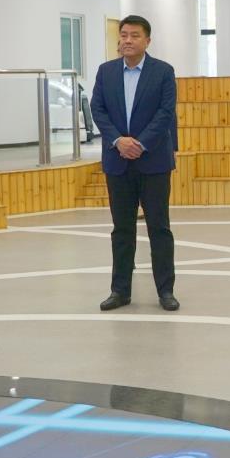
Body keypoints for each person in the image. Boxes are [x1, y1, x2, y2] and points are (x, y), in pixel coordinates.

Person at [90, 15, 179, 312]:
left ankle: (165, 291)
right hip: (118, 161)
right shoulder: (106, 72)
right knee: (122, 229)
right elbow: (98, 109)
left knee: (159, 228)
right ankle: (120, 291)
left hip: (153, 161)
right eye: (124, 35)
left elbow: (165, 113)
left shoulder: (163, 71)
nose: (127, 40)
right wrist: (119, 141)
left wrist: (140, 143)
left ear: (147, 41)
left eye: (135, 35)